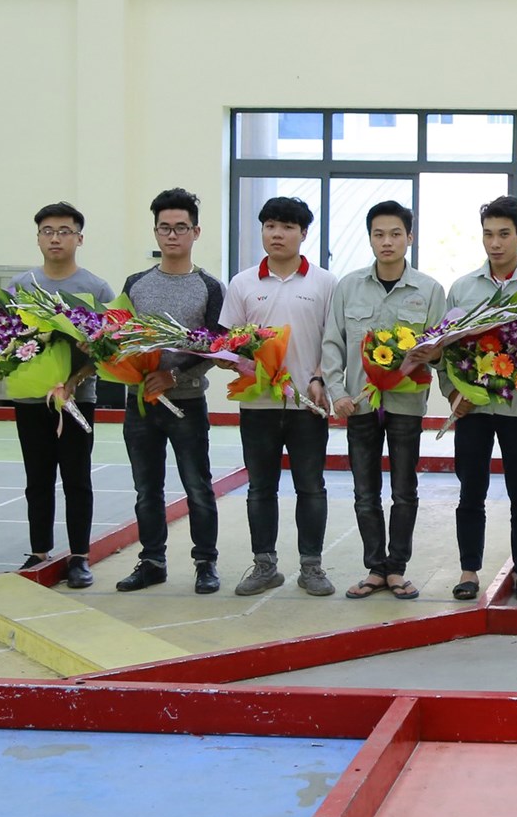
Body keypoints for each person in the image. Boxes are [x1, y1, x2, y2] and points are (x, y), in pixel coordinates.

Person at [321, 199, 445, 602]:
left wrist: (435, 359)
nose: (387, 241)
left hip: (407, 406)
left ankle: (397, 569)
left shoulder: (429, 290)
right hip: (359, 405)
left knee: (405, 490)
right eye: (379, 234)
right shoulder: (348, 287)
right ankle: (375, 568)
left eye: (395, 234)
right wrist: (338, 393)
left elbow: (443, 351)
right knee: (364, 492)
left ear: (409, 237)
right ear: (370, 239)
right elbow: (332, 343)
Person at [220, 195, 336, 596]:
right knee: (259, 489)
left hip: (307, 405)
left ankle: (312, 567)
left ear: (303, 233)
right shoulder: (242, 283)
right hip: (258, 406)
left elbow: (333, 342)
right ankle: (264, 565)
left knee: (311, 487)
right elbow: (228, 346)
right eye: (270, 226)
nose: (277, 234)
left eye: (287, 227)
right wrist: (237, 363)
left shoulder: (325, 283)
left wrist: (320, 377)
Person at [114, 189, 228, 594]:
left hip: (188, 404)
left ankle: (205, 563)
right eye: (165, 228)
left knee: (198, 487)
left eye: (181, 227)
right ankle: (152, 562)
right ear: (156, 232)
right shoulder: (136, 284)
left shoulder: (209, 287)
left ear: (196, 232)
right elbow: (119, 335)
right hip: (140, 404)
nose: (173, 235)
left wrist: (174, 376)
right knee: (147, 489)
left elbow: (217, 347)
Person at [441, 196, 517, 602]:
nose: (495, 243)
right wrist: (453, 392)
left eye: (504, 234)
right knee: (471, 490)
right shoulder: (463, 288)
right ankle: (469, 570)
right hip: (472, 409)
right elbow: (444, 347)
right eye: (488, 234)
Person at [4, 203, 114, 589]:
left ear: (79, 239)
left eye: (65, 231)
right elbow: (2, 339)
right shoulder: (19, 288)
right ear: (38, 238)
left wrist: (75, 380)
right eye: (47, 231)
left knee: (76, 477)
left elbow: (107, 349)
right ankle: (39, 551)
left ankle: (80, 556)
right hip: (31, 399)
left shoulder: (96, 288)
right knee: (37, 477)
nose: (55, 238)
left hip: (77, 400)